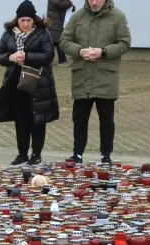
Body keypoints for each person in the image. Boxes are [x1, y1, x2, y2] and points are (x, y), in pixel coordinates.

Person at [0, 0, 59, 166]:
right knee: (20, 119)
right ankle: (22, 154)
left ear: (34, 20)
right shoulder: (9, 34)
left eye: (29, 21)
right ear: (17, 20)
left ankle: (36, 154)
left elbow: (48, 56)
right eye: (22, 20)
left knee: (37, 120)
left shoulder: (42, 33)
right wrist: (10, 58)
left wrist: (27, 57)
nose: (25, 24)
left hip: (38, 83)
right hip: (15, 82)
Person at [59, 0, 131, 166]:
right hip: (82, 77)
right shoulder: (77, 16)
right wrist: (79, 51)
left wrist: (103, 52)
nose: (94, 2)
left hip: (105, 77)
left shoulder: (118, 16)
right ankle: (77, 154)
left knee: (106, 119)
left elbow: (125, 43)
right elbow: (64, 41)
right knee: (79, 118)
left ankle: (106, 155)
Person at [47, 0, 75, 65]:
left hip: (59, 21)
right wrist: (69, 3)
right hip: (54, 22)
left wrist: (71, 7)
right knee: (53, 42)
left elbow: (64, 5)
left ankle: (62, 60)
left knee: (59, 40)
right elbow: (56, 3)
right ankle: (59, 60)